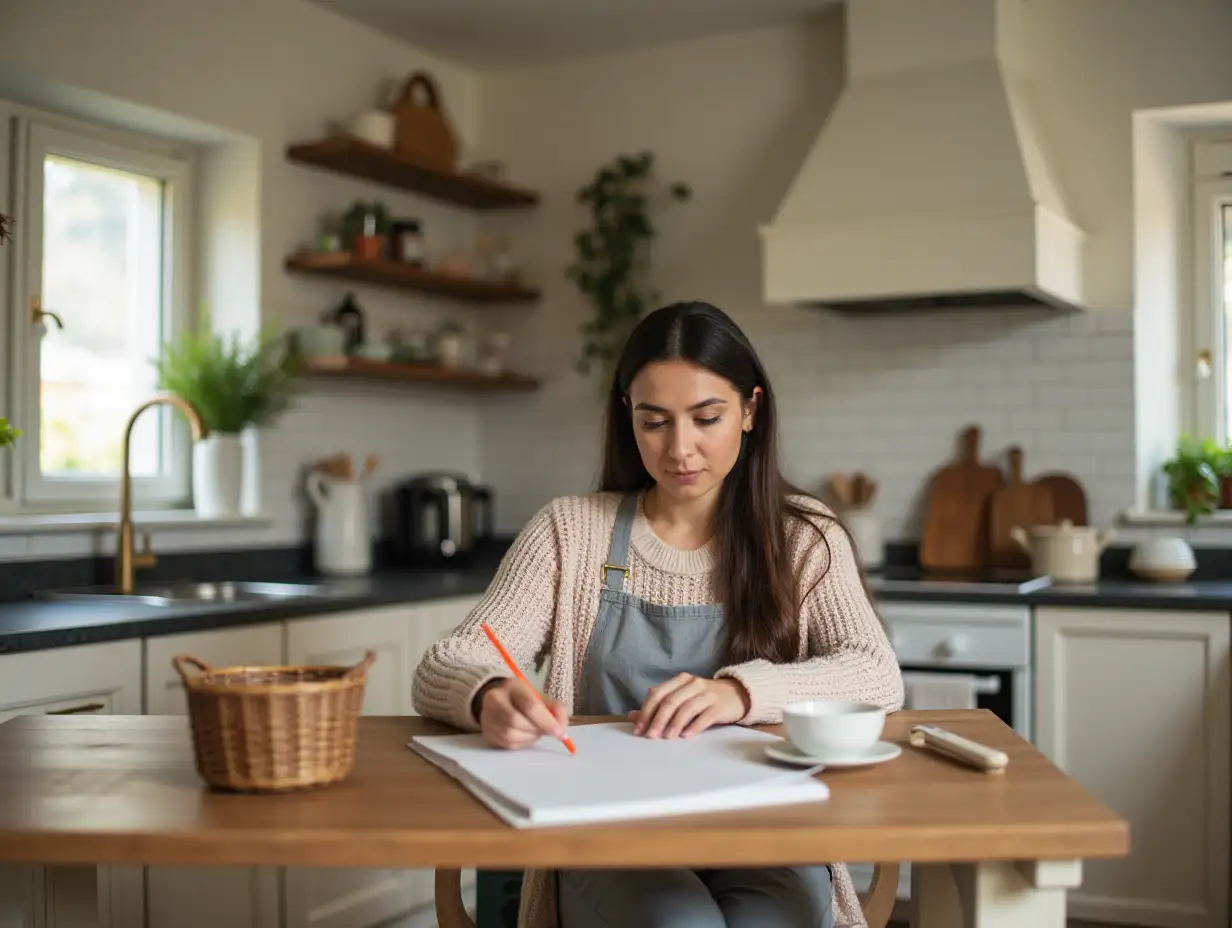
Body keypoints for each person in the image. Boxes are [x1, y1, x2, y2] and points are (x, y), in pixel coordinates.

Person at [412, 300, 904, 928]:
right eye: (655, 422)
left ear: (751, 410)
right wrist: (488, 694)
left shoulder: (805, 538)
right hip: (610, 835)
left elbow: (875, 674)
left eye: (706, 418)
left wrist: (739, 692)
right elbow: (447, 662)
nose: (681, 449)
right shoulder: (571, 532)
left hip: (766, 831)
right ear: (628, 418)